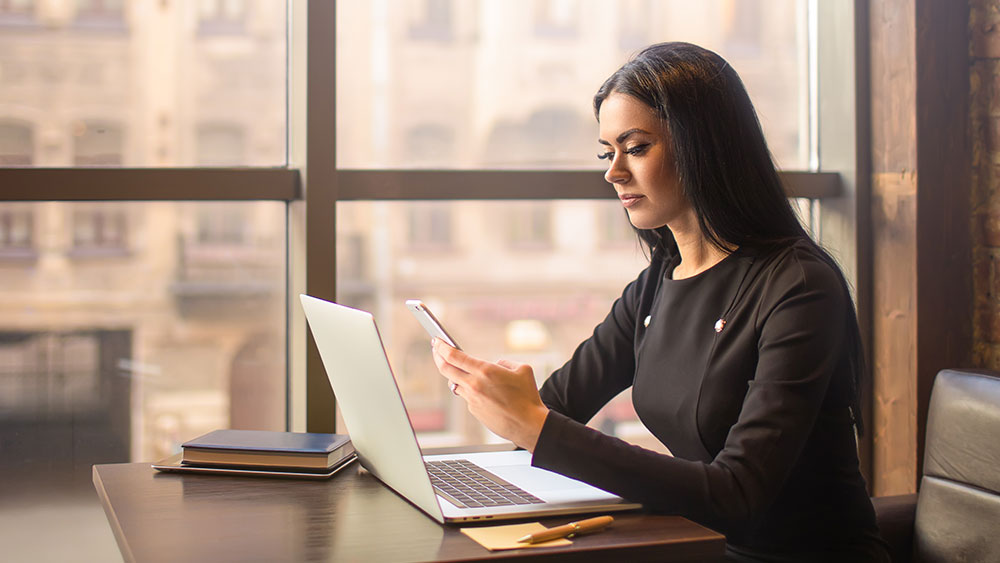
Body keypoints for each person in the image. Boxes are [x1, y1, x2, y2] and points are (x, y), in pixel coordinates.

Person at [431, 42, 889, 562]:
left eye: (636, 148)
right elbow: (556, 406)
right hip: (703, 548)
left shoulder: (799, 287)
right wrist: (498, 398)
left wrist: (536, 426)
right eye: (607, 152)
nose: (614, 172)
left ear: (703, 146)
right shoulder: (656, 283)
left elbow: (737, 493)